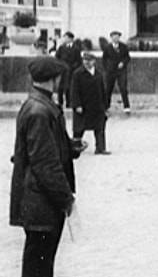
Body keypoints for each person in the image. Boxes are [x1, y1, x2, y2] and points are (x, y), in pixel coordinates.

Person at [10, 55, 85, 277]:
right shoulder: (40, 111)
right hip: (42, 203)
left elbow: (43, 150)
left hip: (39, 202)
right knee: (38, 267)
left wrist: (70, 147)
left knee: (40, 264)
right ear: (55, 79)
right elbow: (45, 165)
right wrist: (66, 200)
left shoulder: (37, 106)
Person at [70, 51, 111, 155]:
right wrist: (77, 105)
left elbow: (102, 90)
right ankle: (75, 147)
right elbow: (74, 90)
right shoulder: (77, 74)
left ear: (94, 61)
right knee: (79, 128)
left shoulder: (98, 74)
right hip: (83, 106)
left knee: (99, 128)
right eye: (85, 60)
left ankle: (100, 148)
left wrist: (105, 106)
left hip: (97, 106)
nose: (86, 63)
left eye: (89, 60)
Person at [101, 30, 132, 113]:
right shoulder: (107, 48)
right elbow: (104, 59)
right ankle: (106, 106)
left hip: (121, 71)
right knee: (108, 89)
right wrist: (107, 68)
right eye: (114, 37)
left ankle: (126, 107)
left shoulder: (123, 47)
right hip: (110, 71)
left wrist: (123, 63)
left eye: (117, 37)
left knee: (123, 88)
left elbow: (127, 57)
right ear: (111, 38)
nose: (115, 39)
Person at [54, 33, 81, 108]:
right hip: (62, 70)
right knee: (60, 87)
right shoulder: (61, 48)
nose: (64, 39)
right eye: (64, 37)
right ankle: (60, 102)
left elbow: (78, 60)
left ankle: (69, 102)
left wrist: (73, 67)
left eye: (66, 37)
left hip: (71, 71)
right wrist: (60, 65)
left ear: (70, 39)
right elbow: (57, 57)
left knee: (68, 87)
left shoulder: (76, 49)